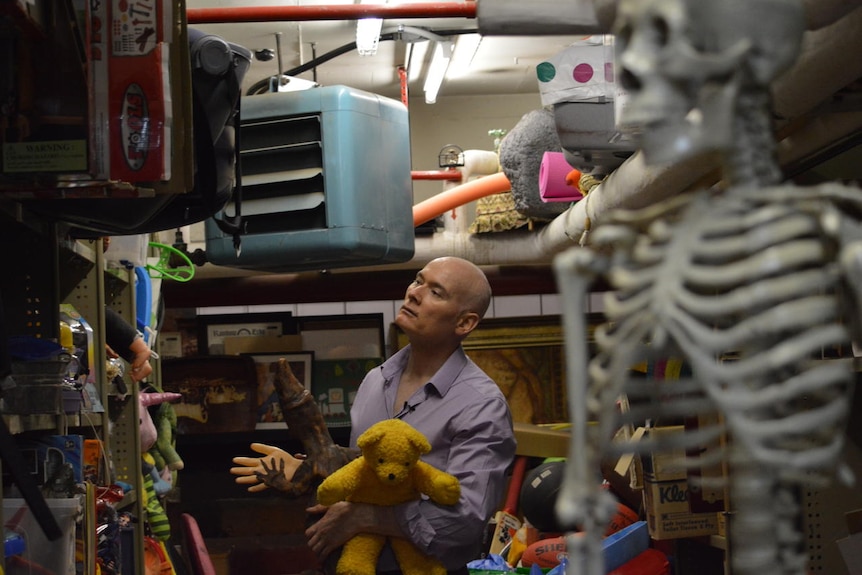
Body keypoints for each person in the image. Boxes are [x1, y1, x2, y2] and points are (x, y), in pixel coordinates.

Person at [233, 256, 516, 575]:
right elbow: (368, 470)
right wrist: (311, 467)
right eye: (418, 280)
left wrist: (365, 516)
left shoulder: (480, 405)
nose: (415, 293)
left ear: (465, 323)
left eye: (436, 292)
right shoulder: (376, 380)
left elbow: (466, 520)